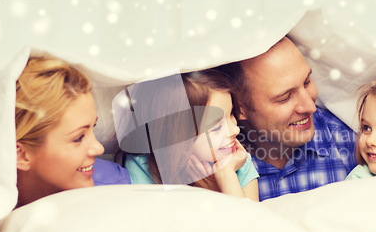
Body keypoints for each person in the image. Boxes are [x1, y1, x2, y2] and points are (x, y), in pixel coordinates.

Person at [215, 37, 357, 201]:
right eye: (284, 98)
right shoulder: (209, 167)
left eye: (306, 82)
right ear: (238, 107)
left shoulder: (353, 145)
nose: (311, 107)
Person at [122, 70, 259, 201]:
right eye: (216, 127)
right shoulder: (142, 169)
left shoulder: (238, 161)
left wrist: (226, 176)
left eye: (231, 114)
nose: (235, 129)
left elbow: (253, 224)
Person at [15, 57, 130, 207]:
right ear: (21, 155)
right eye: (78, 138)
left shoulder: (116, 190)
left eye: (92, 127)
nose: (99, 148)